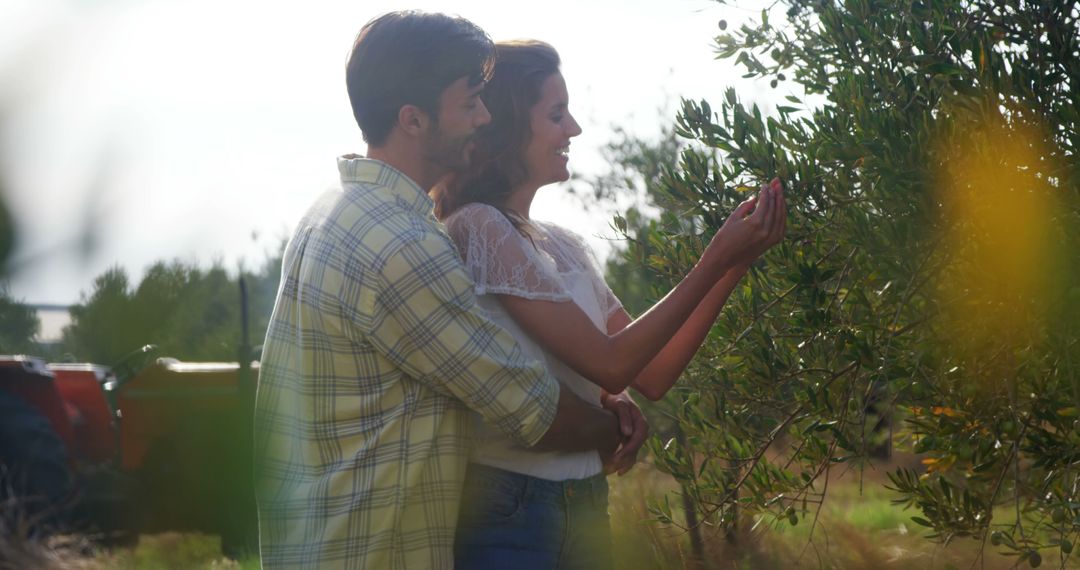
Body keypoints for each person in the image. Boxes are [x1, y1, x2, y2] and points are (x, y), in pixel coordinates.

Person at [253, 14, 645, 570]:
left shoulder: (332, 213)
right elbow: (529, 409)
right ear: (413, 119)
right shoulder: (402, 246)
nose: (484, 120)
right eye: (469, 104)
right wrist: (619, 425)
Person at [433, 40, 786, 568]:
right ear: (507, 128)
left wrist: (735, 265)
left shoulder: (565, 245)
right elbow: (610, 362)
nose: (573, 129)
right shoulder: (476, 226)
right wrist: (713, 260)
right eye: (556, 114)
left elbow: (651, 374)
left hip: (587, 499)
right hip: (510, 508)